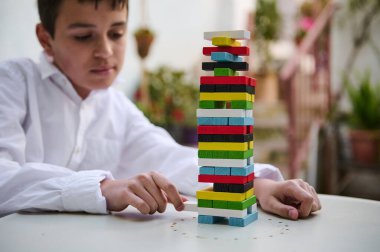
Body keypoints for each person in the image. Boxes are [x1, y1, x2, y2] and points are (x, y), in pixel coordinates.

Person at [0, 0, 321, 220]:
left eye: (116, 33)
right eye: (84, 36)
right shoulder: (13, 84)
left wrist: (252, 183)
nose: (105, 51)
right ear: (46, 39)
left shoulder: (117, 107)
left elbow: (170, 157)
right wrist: (103, 188)